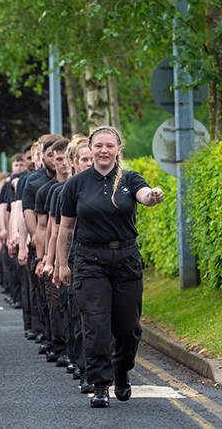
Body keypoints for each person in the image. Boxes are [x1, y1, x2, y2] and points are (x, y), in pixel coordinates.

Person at [57, 126, 165, 408]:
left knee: (128, 327)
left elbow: (143, 195)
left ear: (118, 150)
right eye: (98, 146)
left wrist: (152, 196)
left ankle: (121, 370)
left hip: (126, 260)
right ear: (91, 149)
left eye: (109, 146)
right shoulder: (76, 184)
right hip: (90, 261)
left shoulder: (130, 178)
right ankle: (100, 384)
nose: (104, 151)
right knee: (95, 324)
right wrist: (61, 264)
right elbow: (66, 228)